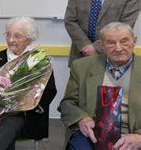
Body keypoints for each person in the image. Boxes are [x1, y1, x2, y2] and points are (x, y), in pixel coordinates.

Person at [0, 17, 57, 150]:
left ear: (30, 38)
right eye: (8, 34)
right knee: (5, 128)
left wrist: (20, 106)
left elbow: (49, 92)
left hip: (26, 117)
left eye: (17, 36)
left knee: (9, 122)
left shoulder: (38, 62)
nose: (11, 40)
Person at [60, 22, 141, 150]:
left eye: (124, 41)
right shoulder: (81, 67)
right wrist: (82, 119)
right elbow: (67, 104)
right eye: (111, 43)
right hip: (92, 133)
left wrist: (139, 138)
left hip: (133, 135)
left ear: (134, 41)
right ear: (102, 45)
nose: (118, 48)